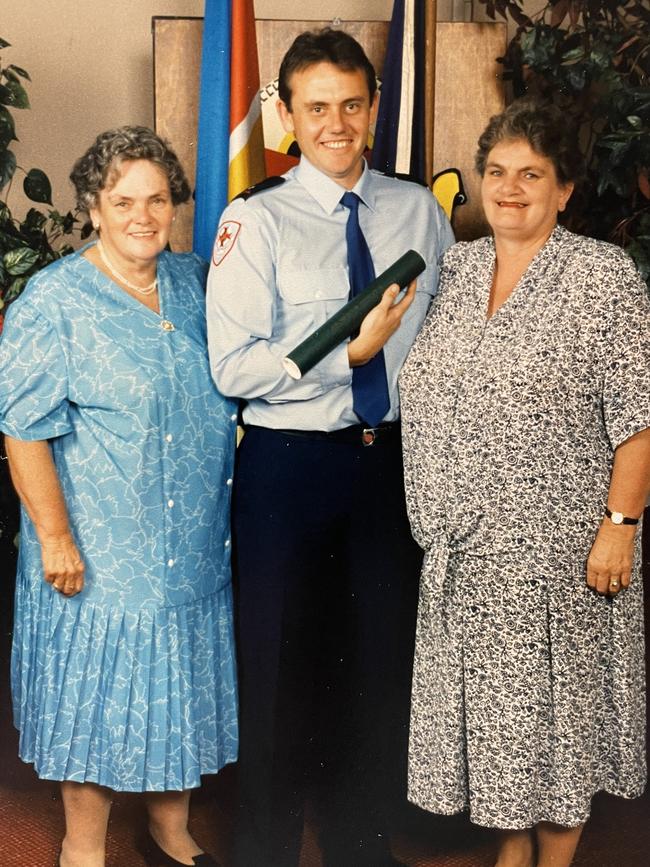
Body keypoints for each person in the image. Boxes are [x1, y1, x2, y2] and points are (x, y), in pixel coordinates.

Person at [206, 26, 454, 867]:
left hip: (390, 464)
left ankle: (361, 843)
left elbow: (452, 343)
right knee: (279, 666)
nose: (337, 124)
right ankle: (265, 852)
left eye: (352, 104)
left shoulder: (418, 209)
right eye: (317, 108)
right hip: (290, 465)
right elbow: (234, 365)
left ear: (374, 106)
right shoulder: (257, 219)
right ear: (286, 113)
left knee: (379, 663)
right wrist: (339, 361)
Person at [399, 98, 650, 867]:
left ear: (564, 188)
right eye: (497, 172)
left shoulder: (601, 277)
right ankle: (513, 852)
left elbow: (639, 419)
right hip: (465, 562)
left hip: (560, 558)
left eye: (531, 174)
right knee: (500, 736)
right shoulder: (459, 265)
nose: (510, 189)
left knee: (555, 728)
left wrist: (620, 524)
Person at [0, 127, 238, 867]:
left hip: (194, 539)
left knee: (176, 686)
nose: (144, 214)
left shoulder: (198, 281)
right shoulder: (55, 301)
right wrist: (54, 535)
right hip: (100, 547)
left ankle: (170, 830)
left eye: (158, 198)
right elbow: (23, 429)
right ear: (94, 208)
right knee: (96, 700)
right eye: (124, 199)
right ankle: (84, 846)